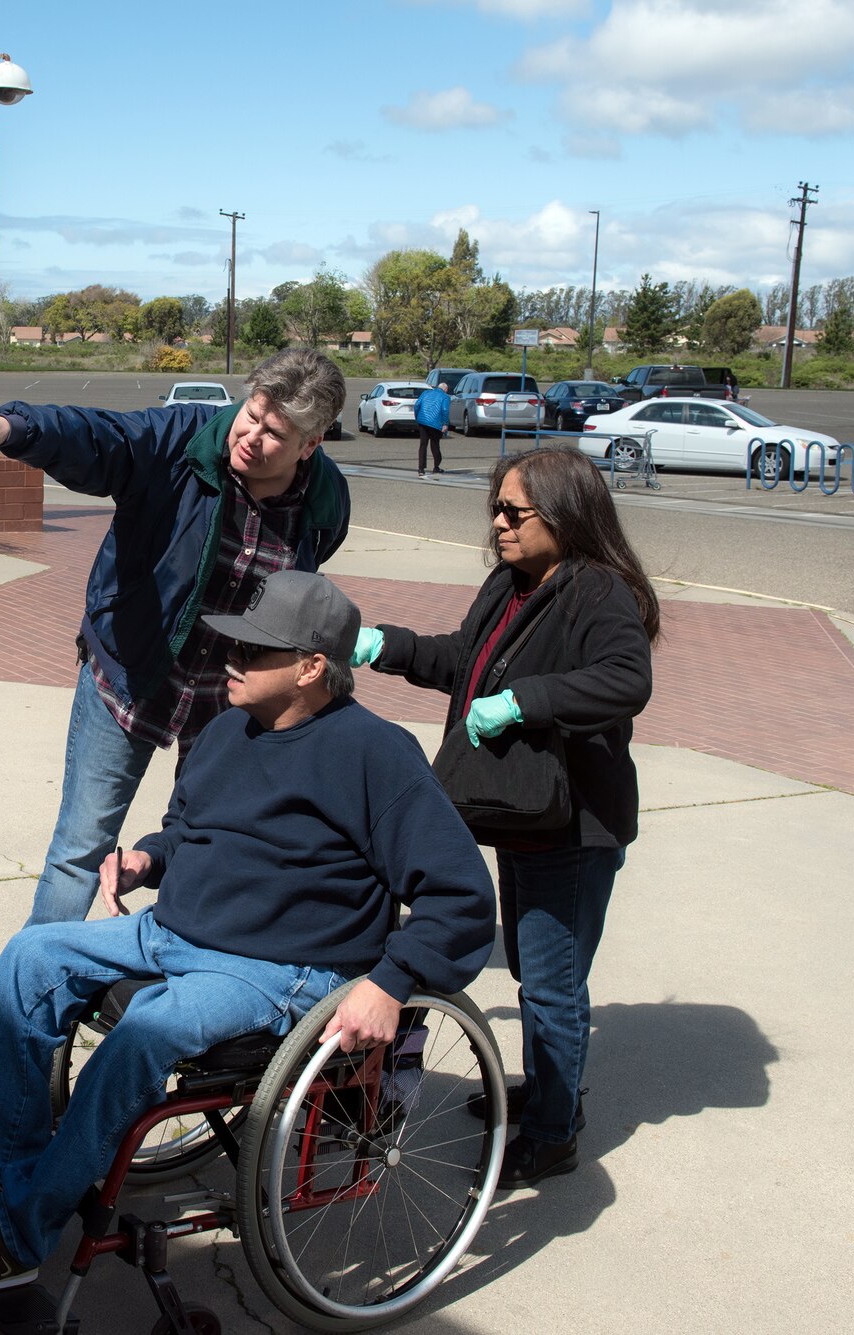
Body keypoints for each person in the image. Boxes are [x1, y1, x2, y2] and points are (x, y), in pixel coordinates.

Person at [0, 572, 495, 1300]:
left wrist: (392, 982)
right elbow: (189, 829)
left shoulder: (376, 754)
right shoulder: (224, 728)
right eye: (234, 638)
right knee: (30, 957)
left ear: (311, 667)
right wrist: (149, 856)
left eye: (255, 648)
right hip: (174, 929)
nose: (230, 655)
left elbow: (462, 896)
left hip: (279, 967)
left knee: (145, 1027)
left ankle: (15, 1232)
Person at [0, 348, 351, 927]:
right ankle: (29, 996)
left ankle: (169, 980)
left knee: (206, 846)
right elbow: (103, 437)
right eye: (250, 414)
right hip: (131, 674)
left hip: (229, 699)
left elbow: (303, 584)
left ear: (311, 445)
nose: (251, 436)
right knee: (80, 852)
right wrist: (16, 429)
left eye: (275, 433)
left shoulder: (325, 499)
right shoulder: (181, 439)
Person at [352, 445, 657, 1189]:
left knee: (552, 985)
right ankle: (548, 1090)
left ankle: (554, 1130)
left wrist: (527, 700)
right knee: (530, 968)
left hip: (575, 823)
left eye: (513, 512)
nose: (499, 524)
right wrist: (384, 645)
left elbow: (626, 680)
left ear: (563, 512)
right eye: (495, 508)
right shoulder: (512, 583)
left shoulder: (600, 593)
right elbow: (464, 658)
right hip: (525, 813)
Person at [415, 381, 450, 478]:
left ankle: (421, 469)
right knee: (435, 444)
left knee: (423, 444)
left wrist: (417, 418)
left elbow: (417, 405)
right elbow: (445, 410)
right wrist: (445, 424)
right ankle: (436, 466)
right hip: (435, 423)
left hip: (423, 421)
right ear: (445, 390)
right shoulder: (445, 397)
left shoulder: (425, 393)